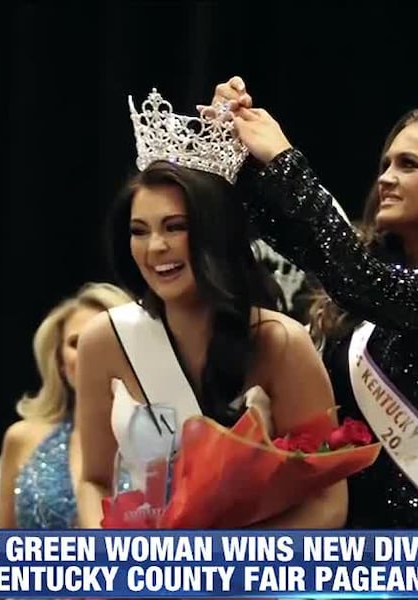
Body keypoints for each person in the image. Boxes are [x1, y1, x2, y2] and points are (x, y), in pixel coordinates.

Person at [209, 64, 418, 530]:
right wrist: (241, 152)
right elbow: (299, 238)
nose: (386, 178)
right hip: (355, 538)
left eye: (408, 165)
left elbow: (368, 286)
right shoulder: (377, 270)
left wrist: (286, 159)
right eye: (385, 164)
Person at [73, 89, 347, 530]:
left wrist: (225, 568)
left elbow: (328, 503)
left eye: (175, 227)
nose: (155, 247)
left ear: (213, 234)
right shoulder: (105, 340)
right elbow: (94, 481)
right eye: (139, 231)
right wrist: (111, 562)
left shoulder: (280, 344)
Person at [0, 282, 133, 529]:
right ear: (59, 360)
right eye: (76, 343)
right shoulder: (22, 439)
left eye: (104, 339)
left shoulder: (163, 442)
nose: (90, 354)